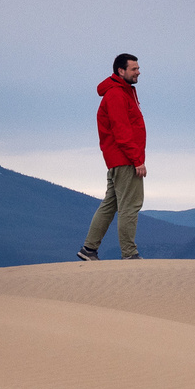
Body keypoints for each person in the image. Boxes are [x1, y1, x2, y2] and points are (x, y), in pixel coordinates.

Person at [80, 53, 148, 260]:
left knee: (110, 205)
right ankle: (129, 254)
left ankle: (89, 249)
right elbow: (122, 131)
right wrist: (137, 160)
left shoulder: (122, 92)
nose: (138, 72)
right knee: (130, 206)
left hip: (118, 159)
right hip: (125, 160)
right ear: (121, 71)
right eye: (134, 69)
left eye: (138, 68)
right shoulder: (117, 95)